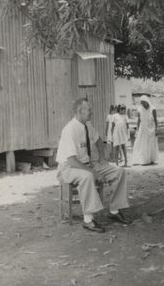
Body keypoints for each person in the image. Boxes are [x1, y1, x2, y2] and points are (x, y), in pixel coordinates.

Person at [56, 98, 131, 233]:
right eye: (89, 110)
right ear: (80, 111)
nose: (91, 112)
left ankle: (114, 211)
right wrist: (94, 172)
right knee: (88, 176)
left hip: (88, 164)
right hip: (68, 168)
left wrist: (102, 157)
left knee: (119, 172)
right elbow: (72, 161)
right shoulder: (69, 130)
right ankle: (88, 220)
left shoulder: (87, 125)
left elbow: (98, 140)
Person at [132, 95, 159, 165]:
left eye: (144, 102)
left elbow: (156, 120)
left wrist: (156, 130)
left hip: (151, 128)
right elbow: (138, 120)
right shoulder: (139, 109)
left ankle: (151, 159)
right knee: (142, 144)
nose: (143, 104)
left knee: (151, 144)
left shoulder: (153, 109)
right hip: (142, 128)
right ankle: (144, 159)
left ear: (147, 101)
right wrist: (137, 130)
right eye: (142, 103)